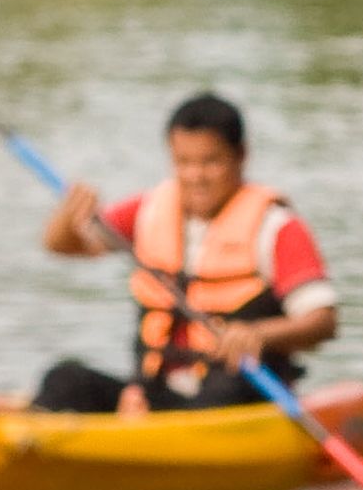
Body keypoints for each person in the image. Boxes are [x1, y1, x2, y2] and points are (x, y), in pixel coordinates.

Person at [29, 92, 341, 415]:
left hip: (235, 395)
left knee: (224, 392)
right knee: (65, 380)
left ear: (241, 156)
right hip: (154, 393)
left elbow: (323, 322)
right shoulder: (149, 211)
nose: (196, 177)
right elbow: (64, 246)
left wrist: (257, 334)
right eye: (184, 163)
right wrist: (67, 216)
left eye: (210, 162)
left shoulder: (276, 228)